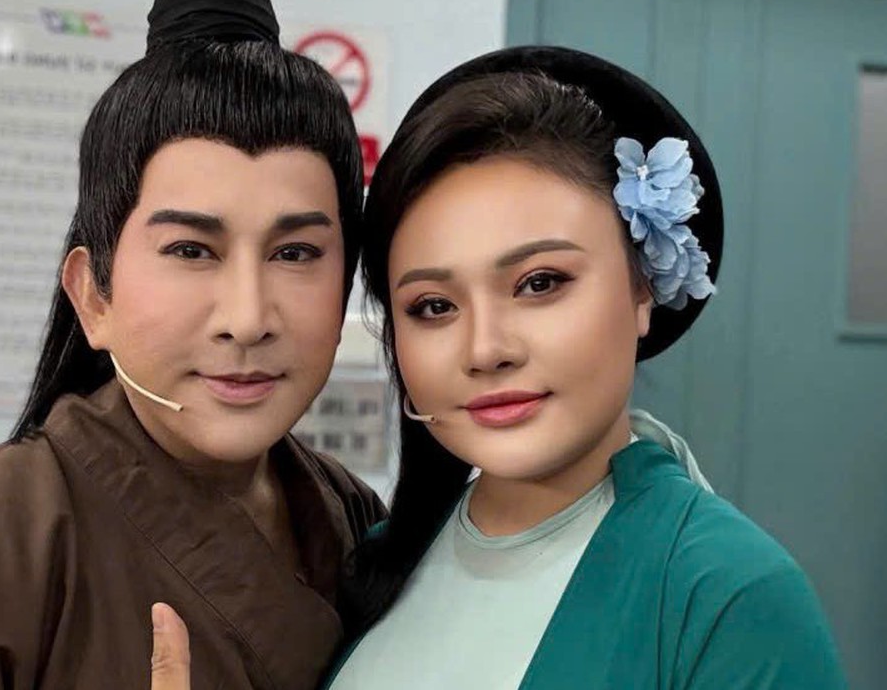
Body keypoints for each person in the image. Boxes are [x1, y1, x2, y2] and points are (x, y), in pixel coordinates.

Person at [0, 0, 383, 690]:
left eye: (296, 253)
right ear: (93, 295)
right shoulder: (0, 535)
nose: (247, 319)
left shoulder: (351, 516)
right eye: (191, 251)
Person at [320, 46, 846, 688]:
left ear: (642, 288)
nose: (485, 349)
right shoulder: (377, 559)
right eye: (434, 306)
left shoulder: (729, 597)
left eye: (540, 282)